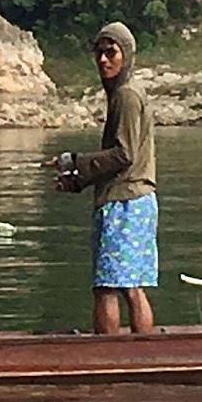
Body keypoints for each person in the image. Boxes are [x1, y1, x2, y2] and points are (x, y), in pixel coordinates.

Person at [52, 22, 157, 334]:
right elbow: (118, 159)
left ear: (126, 55)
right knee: (132, 285)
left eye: (110, 53)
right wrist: (78, 179)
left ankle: (108, 356)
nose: (103, 60)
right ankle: (143, 356)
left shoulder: (126, 95)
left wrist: (76, 161)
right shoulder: (127, 94)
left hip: (124, 204)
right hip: (137, 200)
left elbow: (123, 154)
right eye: (98, 53)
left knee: (108, 287)